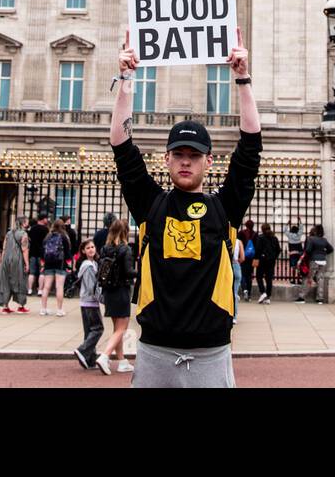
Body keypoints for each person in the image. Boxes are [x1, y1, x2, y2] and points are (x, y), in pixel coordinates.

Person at [107, 29, 261, 387]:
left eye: (194, 156)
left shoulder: (225, 208)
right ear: (167, 159)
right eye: (179, 155)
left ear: (209, 161)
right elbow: (121, 145)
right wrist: (127, 79)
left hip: (211, 353)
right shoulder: (150, 205)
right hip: (154, 352)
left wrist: (242, 77)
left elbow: (251, 147)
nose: (186, 162)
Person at [95, 218, 136, 375]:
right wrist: (141, 272)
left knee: (116, 328)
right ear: (126, 231)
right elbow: (128, 272)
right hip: (121, 290)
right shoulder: (125, 249)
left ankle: (122, 361)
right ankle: (105, 356)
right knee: (121, 329)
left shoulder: (105, 248)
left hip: (109, 291)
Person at [73, 239, 103, 369]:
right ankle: (83, 350)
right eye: (88, 248)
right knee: (98, 329)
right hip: (90, 302)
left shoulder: (92, 264)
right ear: (83, 251)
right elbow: (92, 287)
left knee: (89, 331)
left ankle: (90, 360)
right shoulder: (89, 266)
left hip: (85, 302)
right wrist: (101, 299)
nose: (91, 249)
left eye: (92, 247)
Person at [0, 215, 30, 313]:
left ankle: (5, 306)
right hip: (17, 260)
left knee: (6, 281)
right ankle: (21, 306)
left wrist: (2, 260)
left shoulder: (8, 233)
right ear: (23, 223)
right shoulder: (24, 234)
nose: (28, 223)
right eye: (27, 221)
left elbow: (4, 248)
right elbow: (24, 250)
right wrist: (27, 263)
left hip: (6, 259)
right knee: (20, 280)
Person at [39, 218, 70, 316]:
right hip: (60, 264)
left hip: (48, 264)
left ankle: (43, 309)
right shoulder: (64, 237)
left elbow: (42, 251)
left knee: (46, 287)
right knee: (59, 287)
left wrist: (43, 263)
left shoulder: (47, 237)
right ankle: (59, 310)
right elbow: (68, 252)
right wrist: (69, 263)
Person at [301, 225, 333, 305]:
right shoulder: (324, 240)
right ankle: (320, 298)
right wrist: (323, 253)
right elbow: (331, 249)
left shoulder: (311, 239)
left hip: (314, 260)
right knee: (320, 279)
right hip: (322, 261)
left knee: (309, 278)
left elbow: (308, 250)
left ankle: (302, 296)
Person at [254, 224, 280, 304]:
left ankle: (263, 292)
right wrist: (274, 257)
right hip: (271, 260)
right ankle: (268, 297)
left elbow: (258, 249)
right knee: (269, 279)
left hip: (262, 260)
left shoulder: (261, 237)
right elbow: (278, 249)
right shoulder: (274, 238)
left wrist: (256, 258)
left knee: (259, 276)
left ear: (262, 229)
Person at [26, 211, 49, 299]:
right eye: (46, 218)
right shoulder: (45, 229)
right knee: (42, 273)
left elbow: (29, 240)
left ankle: (29, 289)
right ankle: (40, 290)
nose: (47, 220)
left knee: (31, 273)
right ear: (43, 219)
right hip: (42, 254)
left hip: (32, 253)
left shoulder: (32, 228)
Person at [238, 219, 257, 302]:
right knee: (249, 276)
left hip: (243, 256)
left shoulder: (241, 233)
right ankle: (249, 295)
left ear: (246, 225)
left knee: (242, 274)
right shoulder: (255, 234)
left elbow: (237, 243)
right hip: (251, 257)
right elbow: (257, 246)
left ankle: (244, 289)